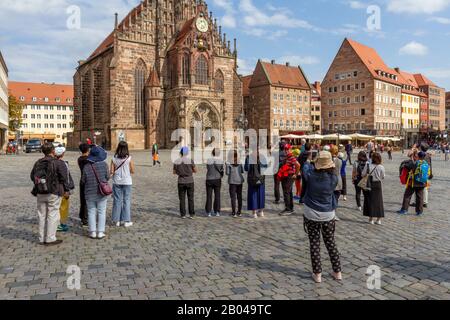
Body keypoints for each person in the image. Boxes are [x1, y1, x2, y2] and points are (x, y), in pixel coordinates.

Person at [303, 151, 342, 283]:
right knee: (330, 243)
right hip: (328, 214)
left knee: (314, 243)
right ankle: (337, 272)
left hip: (311, 212)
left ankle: (317, 274)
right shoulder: (334, 178)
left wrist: (310, 159)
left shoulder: (310, 175)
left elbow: (305, 166)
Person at [30, 142, 69, 246]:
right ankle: (50, 238)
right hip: (54, 192)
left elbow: (32, 176)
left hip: (40, 191)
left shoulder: (38, 162)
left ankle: (41, 238)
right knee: (53, 214)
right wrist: (66, 189)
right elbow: (64, 178)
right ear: (53, 151)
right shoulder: (58, 162)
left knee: (41, 215)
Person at [81, 145, 110, 239]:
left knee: (91, 212)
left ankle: (92, 232)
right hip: (101, 192)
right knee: (102, 211)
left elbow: (83, 181)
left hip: (89, 192)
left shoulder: (86, 166)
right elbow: (107, 177)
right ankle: (100, 232)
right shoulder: (104, 164)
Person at [111, 141, 135, 227]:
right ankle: (126, 221)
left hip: (117, 181)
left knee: (117, 200)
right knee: (126, 200)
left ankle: (116, 220)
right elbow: (132, 171)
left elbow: (111, 171)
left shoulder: (114, 158)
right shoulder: (129, 158)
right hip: (127, 181)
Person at [397, 151, 429, 216]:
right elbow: (429, 174)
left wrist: (410, 160)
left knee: (407, 195)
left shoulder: (416, 163)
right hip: (422, 182)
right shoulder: (426, 163)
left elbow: (406, 166)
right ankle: (419, 212)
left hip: (413, 182)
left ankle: (404, 210)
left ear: (418, 156)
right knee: (420, 197)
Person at [55, 146, 75, 232]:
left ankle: (55, 223)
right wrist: (67, 189)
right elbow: (66, 177)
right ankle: (60, 224)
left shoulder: (51, 162)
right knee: (63, 207)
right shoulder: (63, 164)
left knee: (55, 207)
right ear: (62, 154)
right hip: (62, 189)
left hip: (53, 189)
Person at [362, 152, 385, 225]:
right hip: (377, 184)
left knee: (370, 201)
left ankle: (371, 219)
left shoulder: (368, 165)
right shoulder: (381, 167)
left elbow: (363, 174)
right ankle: (378, 219)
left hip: (369, 184)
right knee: (379, 201)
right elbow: (383, 176)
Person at [173, 147, 197, 219]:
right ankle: (191, 214)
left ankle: (183, 214)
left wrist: (180, 173)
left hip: (181, 181)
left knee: (182, 199)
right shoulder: (190, 160)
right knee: (190, 198)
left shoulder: (177, 161)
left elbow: (174, 172)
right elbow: (195, 170)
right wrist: (190, 172)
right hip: (190, 181)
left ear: (180, 152)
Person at [278, 144, 300, 216]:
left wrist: (295, 174)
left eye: (287, 149)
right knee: (289, 192)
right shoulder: (287, 156)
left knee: (286, 192)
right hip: (287, 176)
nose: (286, 150)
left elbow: (298, 165)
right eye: (285, 149)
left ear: (290, 149)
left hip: (289, 177)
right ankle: (290, 208)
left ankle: (288, 209)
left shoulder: (291, 156)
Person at [245, 149, 267, 219]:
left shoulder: (249, 157)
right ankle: (261, 211)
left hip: (252, 179)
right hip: (260, 179)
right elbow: (265, 166)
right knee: (261, 194)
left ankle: (254, 213)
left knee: (253, 195)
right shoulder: (262, 156)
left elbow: (246, 168)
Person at [205, 148, 224, 217]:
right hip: (217, 179)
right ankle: (217, 211)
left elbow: (208, 168)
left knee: (209, 196)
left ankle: (209, 211)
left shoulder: (208, 160)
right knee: (217, 196)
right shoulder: (220, 161)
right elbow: (221, 169)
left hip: (209, 179)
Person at [226, 150, 245, 218]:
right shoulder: (239, 162)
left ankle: (233, 212)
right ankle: (239, 212)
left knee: (233, 197)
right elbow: (242, 171)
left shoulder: (228, 163)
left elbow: (227, 173)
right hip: (239, 181)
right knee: (239, 197)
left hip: (232, 181)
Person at [77, 143, 90, 227]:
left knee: (82, 200)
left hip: (82, 180)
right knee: (87, 201)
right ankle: (85, 219)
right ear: (88, 150)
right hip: (88, 181)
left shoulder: (79, 159)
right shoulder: (89, 159)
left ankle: (82, 217)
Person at [330, 145, 342, 220]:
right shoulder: (339, 160)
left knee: (330, 197)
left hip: (330, 180)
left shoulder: (329, 160)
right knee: (336, 198)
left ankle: (331, 213)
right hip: (337, 179)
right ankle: (333, 213)